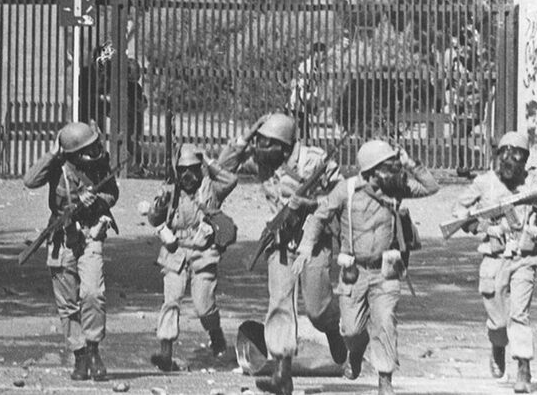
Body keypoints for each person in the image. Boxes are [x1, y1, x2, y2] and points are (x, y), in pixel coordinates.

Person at [294, 140, 439, 395]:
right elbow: (319, 217)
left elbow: (431, 187)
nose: (394, 171)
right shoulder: (346, 190)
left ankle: (385, 379)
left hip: (385, 271)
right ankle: (356, 350)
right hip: (354, 272)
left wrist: (410, 163)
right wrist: (306, 247)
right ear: (371, 171)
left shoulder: (395, 187)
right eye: (388, 167)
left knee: (385, 321)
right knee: (351, 330)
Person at [217, 112, 346, 395]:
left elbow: (341, 193)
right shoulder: (263, 161)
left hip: (312, 240)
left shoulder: (313, 161)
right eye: (258, 141)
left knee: (317, 308)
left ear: (284, 146)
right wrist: (248, 134)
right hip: (281, 241)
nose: (259, 148)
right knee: (279, 303)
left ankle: (332, 329)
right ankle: (281, 373)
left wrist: (312, 203)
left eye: (266, 142)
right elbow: (222, 167)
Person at [450, 131, 537, 393]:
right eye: (506, 154)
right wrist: (481, 225)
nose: (510, 159)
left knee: (519, 315)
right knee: (499, 322)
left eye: (517, 155)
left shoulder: (534, 181)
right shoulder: (484, 183)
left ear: (525, 159)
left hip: (525, 258)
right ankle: (498, 345)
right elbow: (458, 211)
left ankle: (524, 367)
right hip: (494, 259)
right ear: (498, 155)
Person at [23, 121, 120, 382]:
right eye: (88, 149)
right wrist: (52, 155)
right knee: (67, 302)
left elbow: (112, 193)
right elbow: (30, 181)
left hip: (90, 234)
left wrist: (96, 201)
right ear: (75, 153)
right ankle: (79, 355)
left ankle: (94, 349)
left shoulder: (99, 165)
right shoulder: (57, 166)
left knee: (93, 293)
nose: (95, 151)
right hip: (62, 237)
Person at [143, 143, 238, 371]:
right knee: (171, 301)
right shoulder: (170, 191)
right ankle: (166, 352)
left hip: (203, 252)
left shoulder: (211, 189)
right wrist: (159, 206)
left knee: (203, 305)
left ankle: (216, 337)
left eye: (193, 169)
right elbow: (154, 220)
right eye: (183, 170)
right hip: (175, 251)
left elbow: (230, 180)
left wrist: (207, 160)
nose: (188, 175)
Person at [288, 42, 328, 139]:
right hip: (299, 103)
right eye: (323, 53)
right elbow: (303, 87)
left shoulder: (316, 67)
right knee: (302, 135)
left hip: (302, 105)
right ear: (316, 53)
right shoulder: (308, 66)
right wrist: (312, 106)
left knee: (304, 133)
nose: (324, 56)